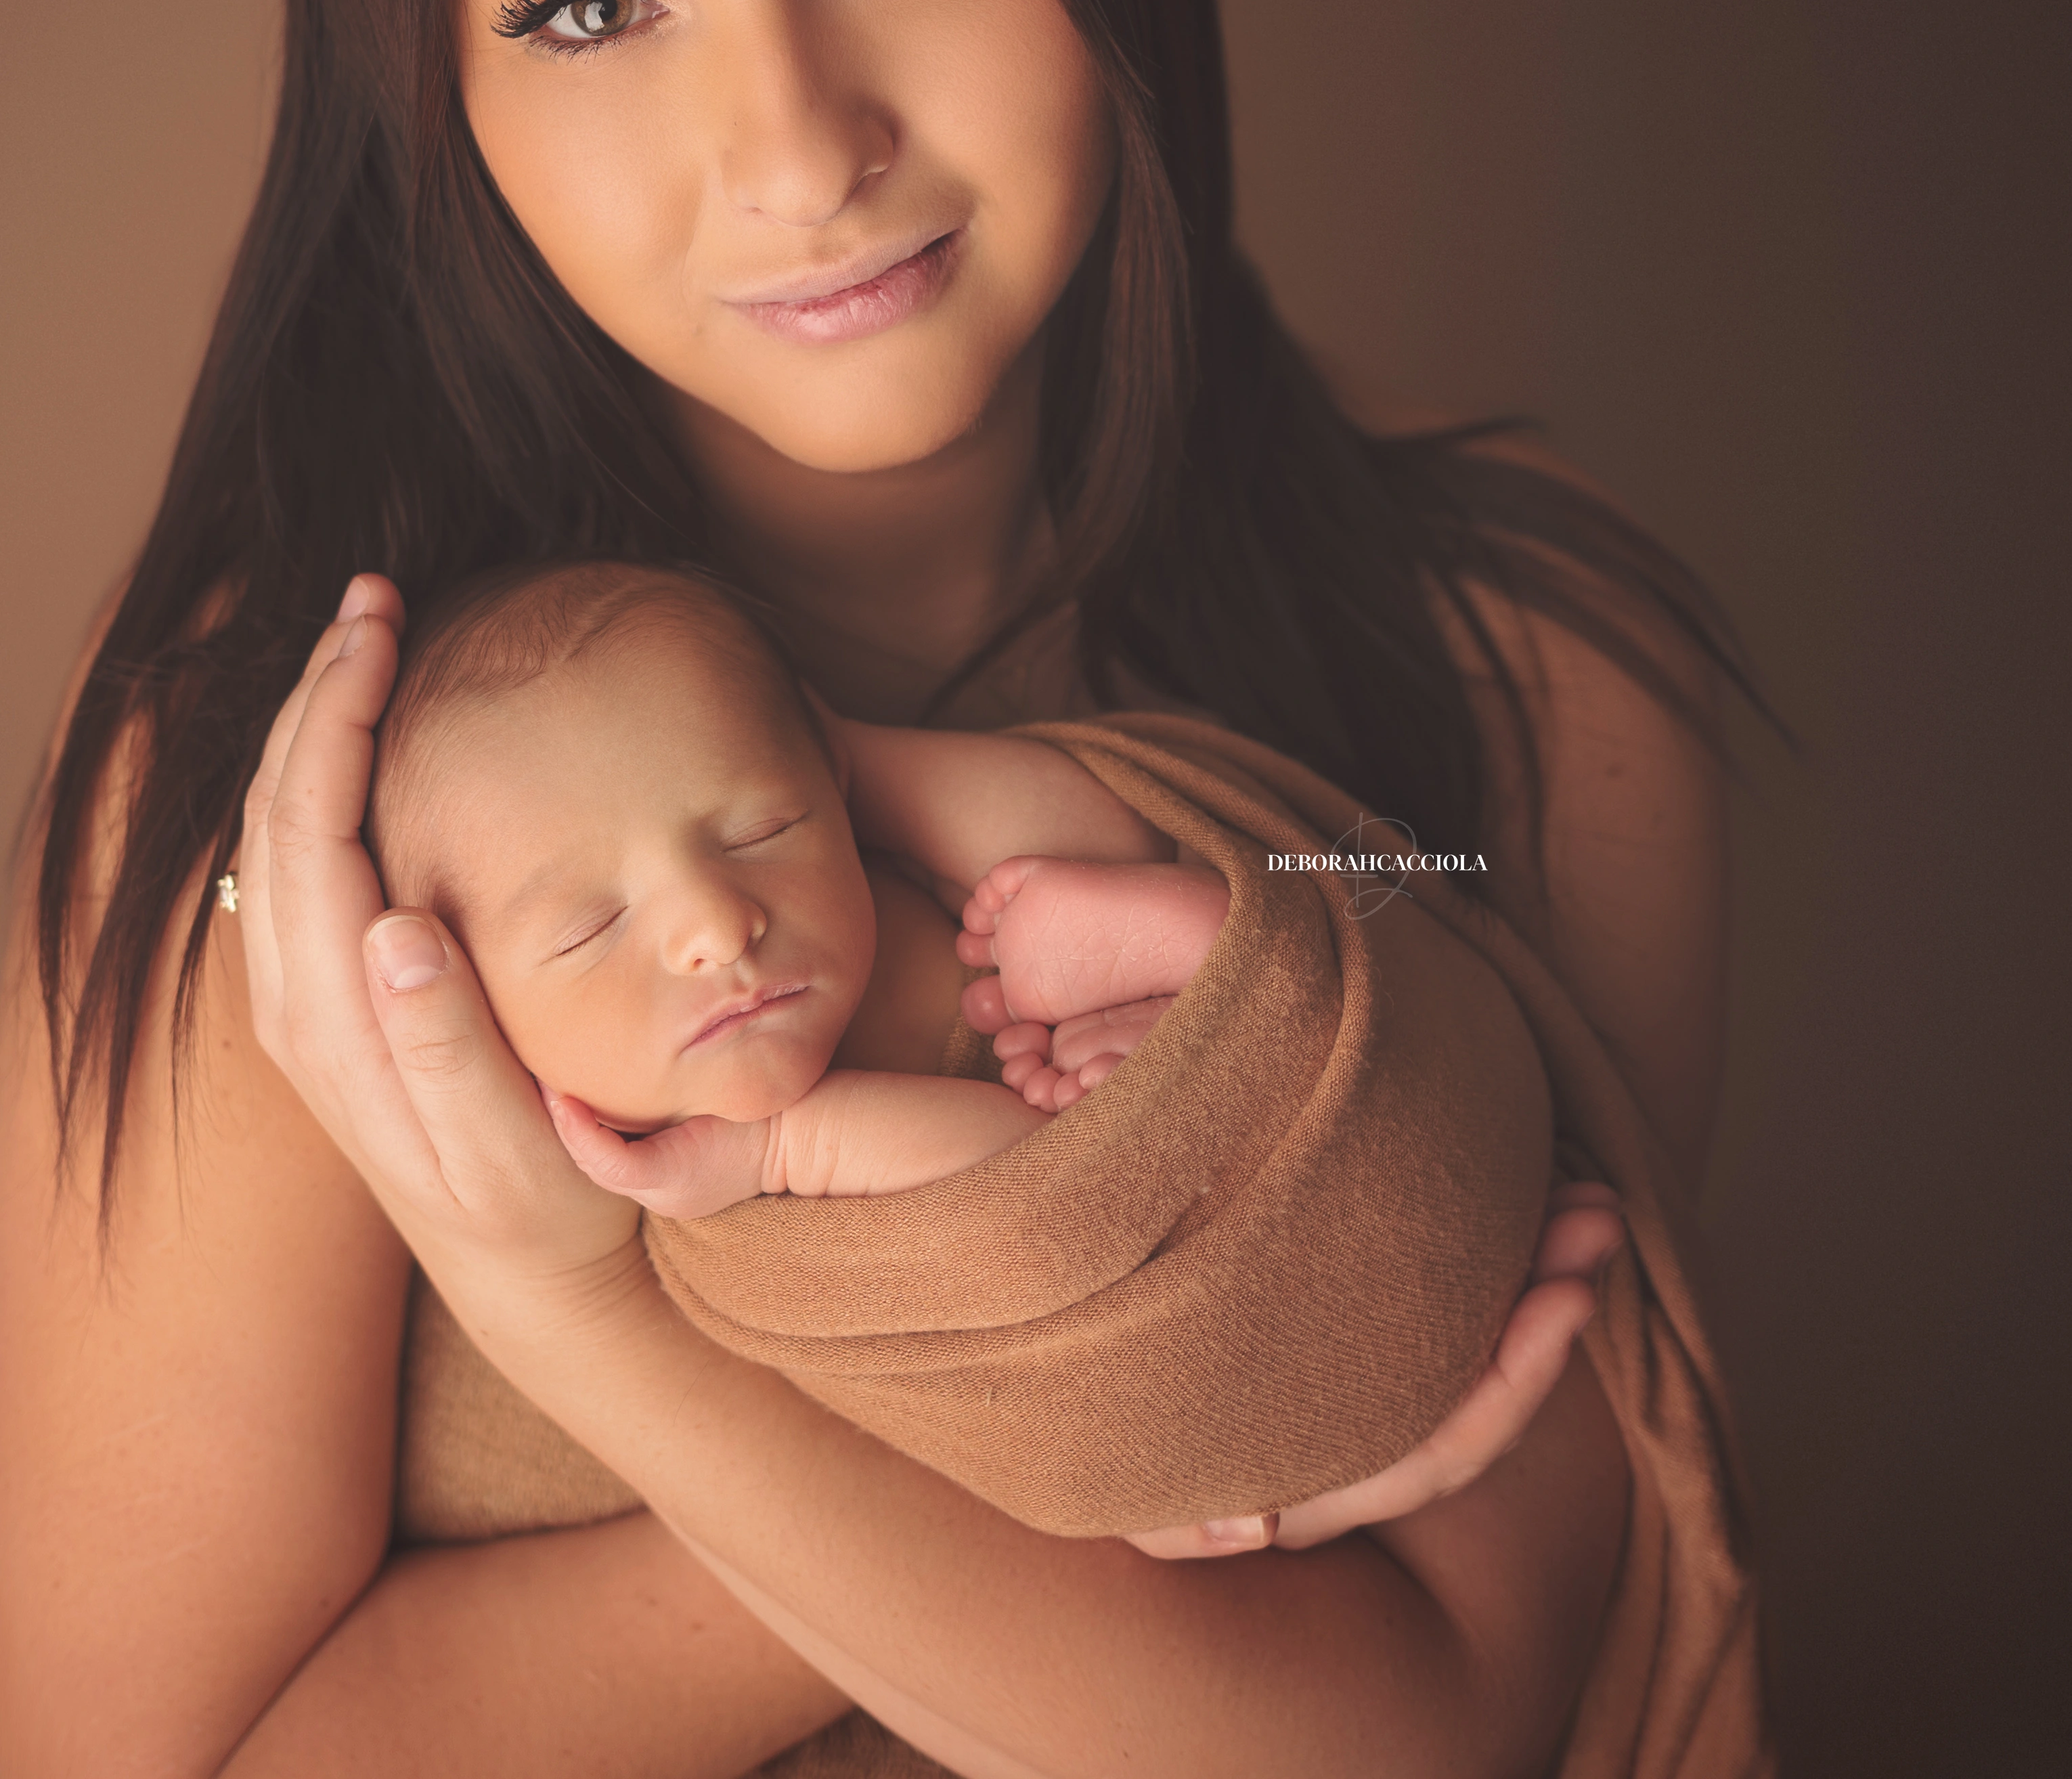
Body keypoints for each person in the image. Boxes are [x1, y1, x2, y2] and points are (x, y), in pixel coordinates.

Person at [0, 0, 1768, 1772]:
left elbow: (1414, 1727)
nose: (801, 150)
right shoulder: (302, 837)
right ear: (427, 75)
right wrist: (1131, 1405)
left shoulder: (1512, 688)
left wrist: (616, 1330)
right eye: (589, 5)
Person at [361, 552, 1615, 1571]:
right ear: (464, 1013)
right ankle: (1190, 969)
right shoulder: (727, 1221)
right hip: (1266, 1309)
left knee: (1155, 872)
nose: (712, 923)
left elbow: (1105, 816)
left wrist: (887, 781)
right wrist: (782, 1148)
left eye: (762, 824)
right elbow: (1019, 1213)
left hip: (1372, 1102)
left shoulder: (893, 869)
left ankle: (1197, 949)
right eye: (587, 930)